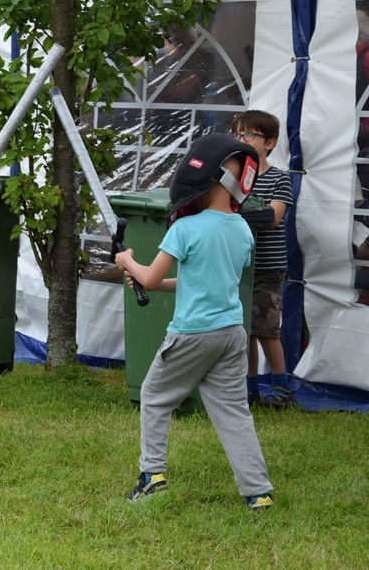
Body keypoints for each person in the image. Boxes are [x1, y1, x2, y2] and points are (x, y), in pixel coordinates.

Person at [114, 132, 274, 510]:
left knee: (154, 396)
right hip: (232, 334)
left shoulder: (184, 228)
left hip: (192, 334)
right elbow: (201, 279)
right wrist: (145, 275)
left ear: (207, 180)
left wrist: (128, 262)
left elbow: (150, 277)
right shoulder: (241, 229)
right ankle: (258, 492)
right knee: (234, 412)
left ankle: (152, 476)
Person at [229, 111, 294, 407]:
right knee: (244, 330)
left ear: (269, 143)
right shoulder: (231, 179)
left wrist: (238, 213)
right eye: (237, 135)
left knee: (265, 329)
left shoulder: (279, 179)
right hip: (239, 267)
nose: (241, 140)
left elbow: (273, 217)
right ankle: (249, 387)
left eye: (249, 135)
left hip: (268, 268)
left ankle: (282, 388)